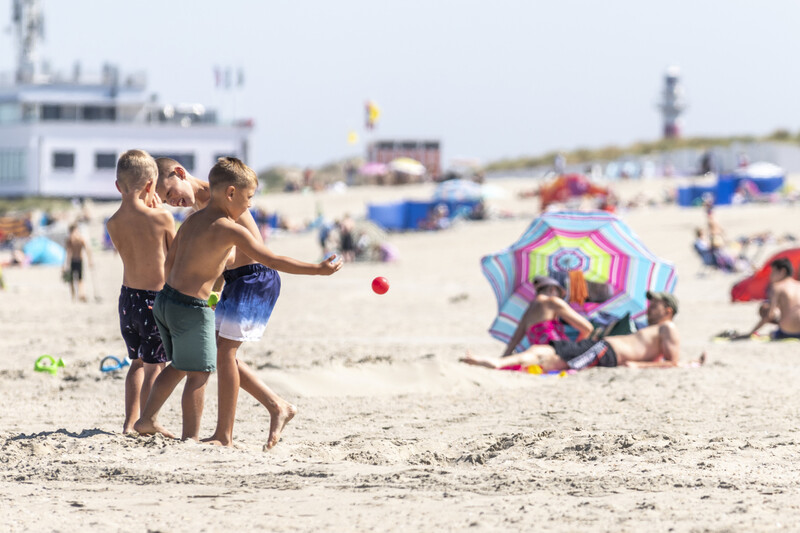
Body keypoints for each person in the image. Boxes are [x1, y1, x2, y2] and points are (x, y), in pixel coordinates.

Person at [136, 157, 342, 443]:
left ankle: (224, 433)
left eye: (170, 193)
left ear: (180, 174)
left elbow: (255, 253)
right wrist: (208, 291)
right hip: (228, 282)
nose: (172, 202)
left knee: (219, 356)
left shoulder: (218, 199)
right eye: (166, 200)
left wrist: (316, 270)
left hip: (253, 278)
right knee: (213, 356)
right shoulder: (203, 211)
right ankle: (276, 406)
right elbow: (211, 256)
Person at [105, 149, 175, 433]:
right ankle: (148, 420)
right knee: (155, 365)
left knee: (136, 361)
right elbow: (174, 255)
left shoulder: (112, 223)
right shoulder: (161, 219)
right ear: (151, 186)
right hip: (153, 299)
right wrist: (160, 211)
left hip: (127, 299)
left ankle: (128, 422)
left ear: (118, 186)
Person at [462, 292, 703, 371]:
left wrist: (638, 366)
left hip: (606, 352)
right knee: (544, 350)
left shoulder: (668, 327)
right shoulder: (654, 329)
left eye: (656, 304)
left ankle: (498, 364)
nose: (650, 307)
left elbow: (672, 362)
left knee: (555, 358)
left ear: (668, 310)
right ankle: (500, 363)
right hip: (603, 348)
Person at [501, 276, 593, 357]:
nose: (560, 298)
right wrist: (576, 348)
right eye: (560, 295)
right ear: (552, 289)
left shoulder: (530, 309)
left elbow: (515, 339)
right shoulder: (553, 301)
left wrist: (506, 355)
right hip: (559, 351)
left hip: (539, 354)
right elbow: (587, 328)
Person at [742, 258, 800, 340]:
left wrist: (750, 333)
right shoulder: (798, 284)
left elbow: (770, 315)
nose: (770, 275)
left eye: (773, 272)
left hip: (789, 332)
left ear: (782, 271)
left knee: (764, 309)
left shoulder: (777, 287)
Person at [63, 222, 93, 302]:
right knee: (80, 279)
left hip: (73, 260)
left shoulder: (70, 239)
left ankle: (74, 296)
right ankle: (81, 294)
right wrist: (90, 261)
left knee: (72, 279)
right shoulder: (80, 238)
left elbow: (68, 252)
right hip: (79, 260)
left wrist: (65, 264)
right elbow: (87, 250)